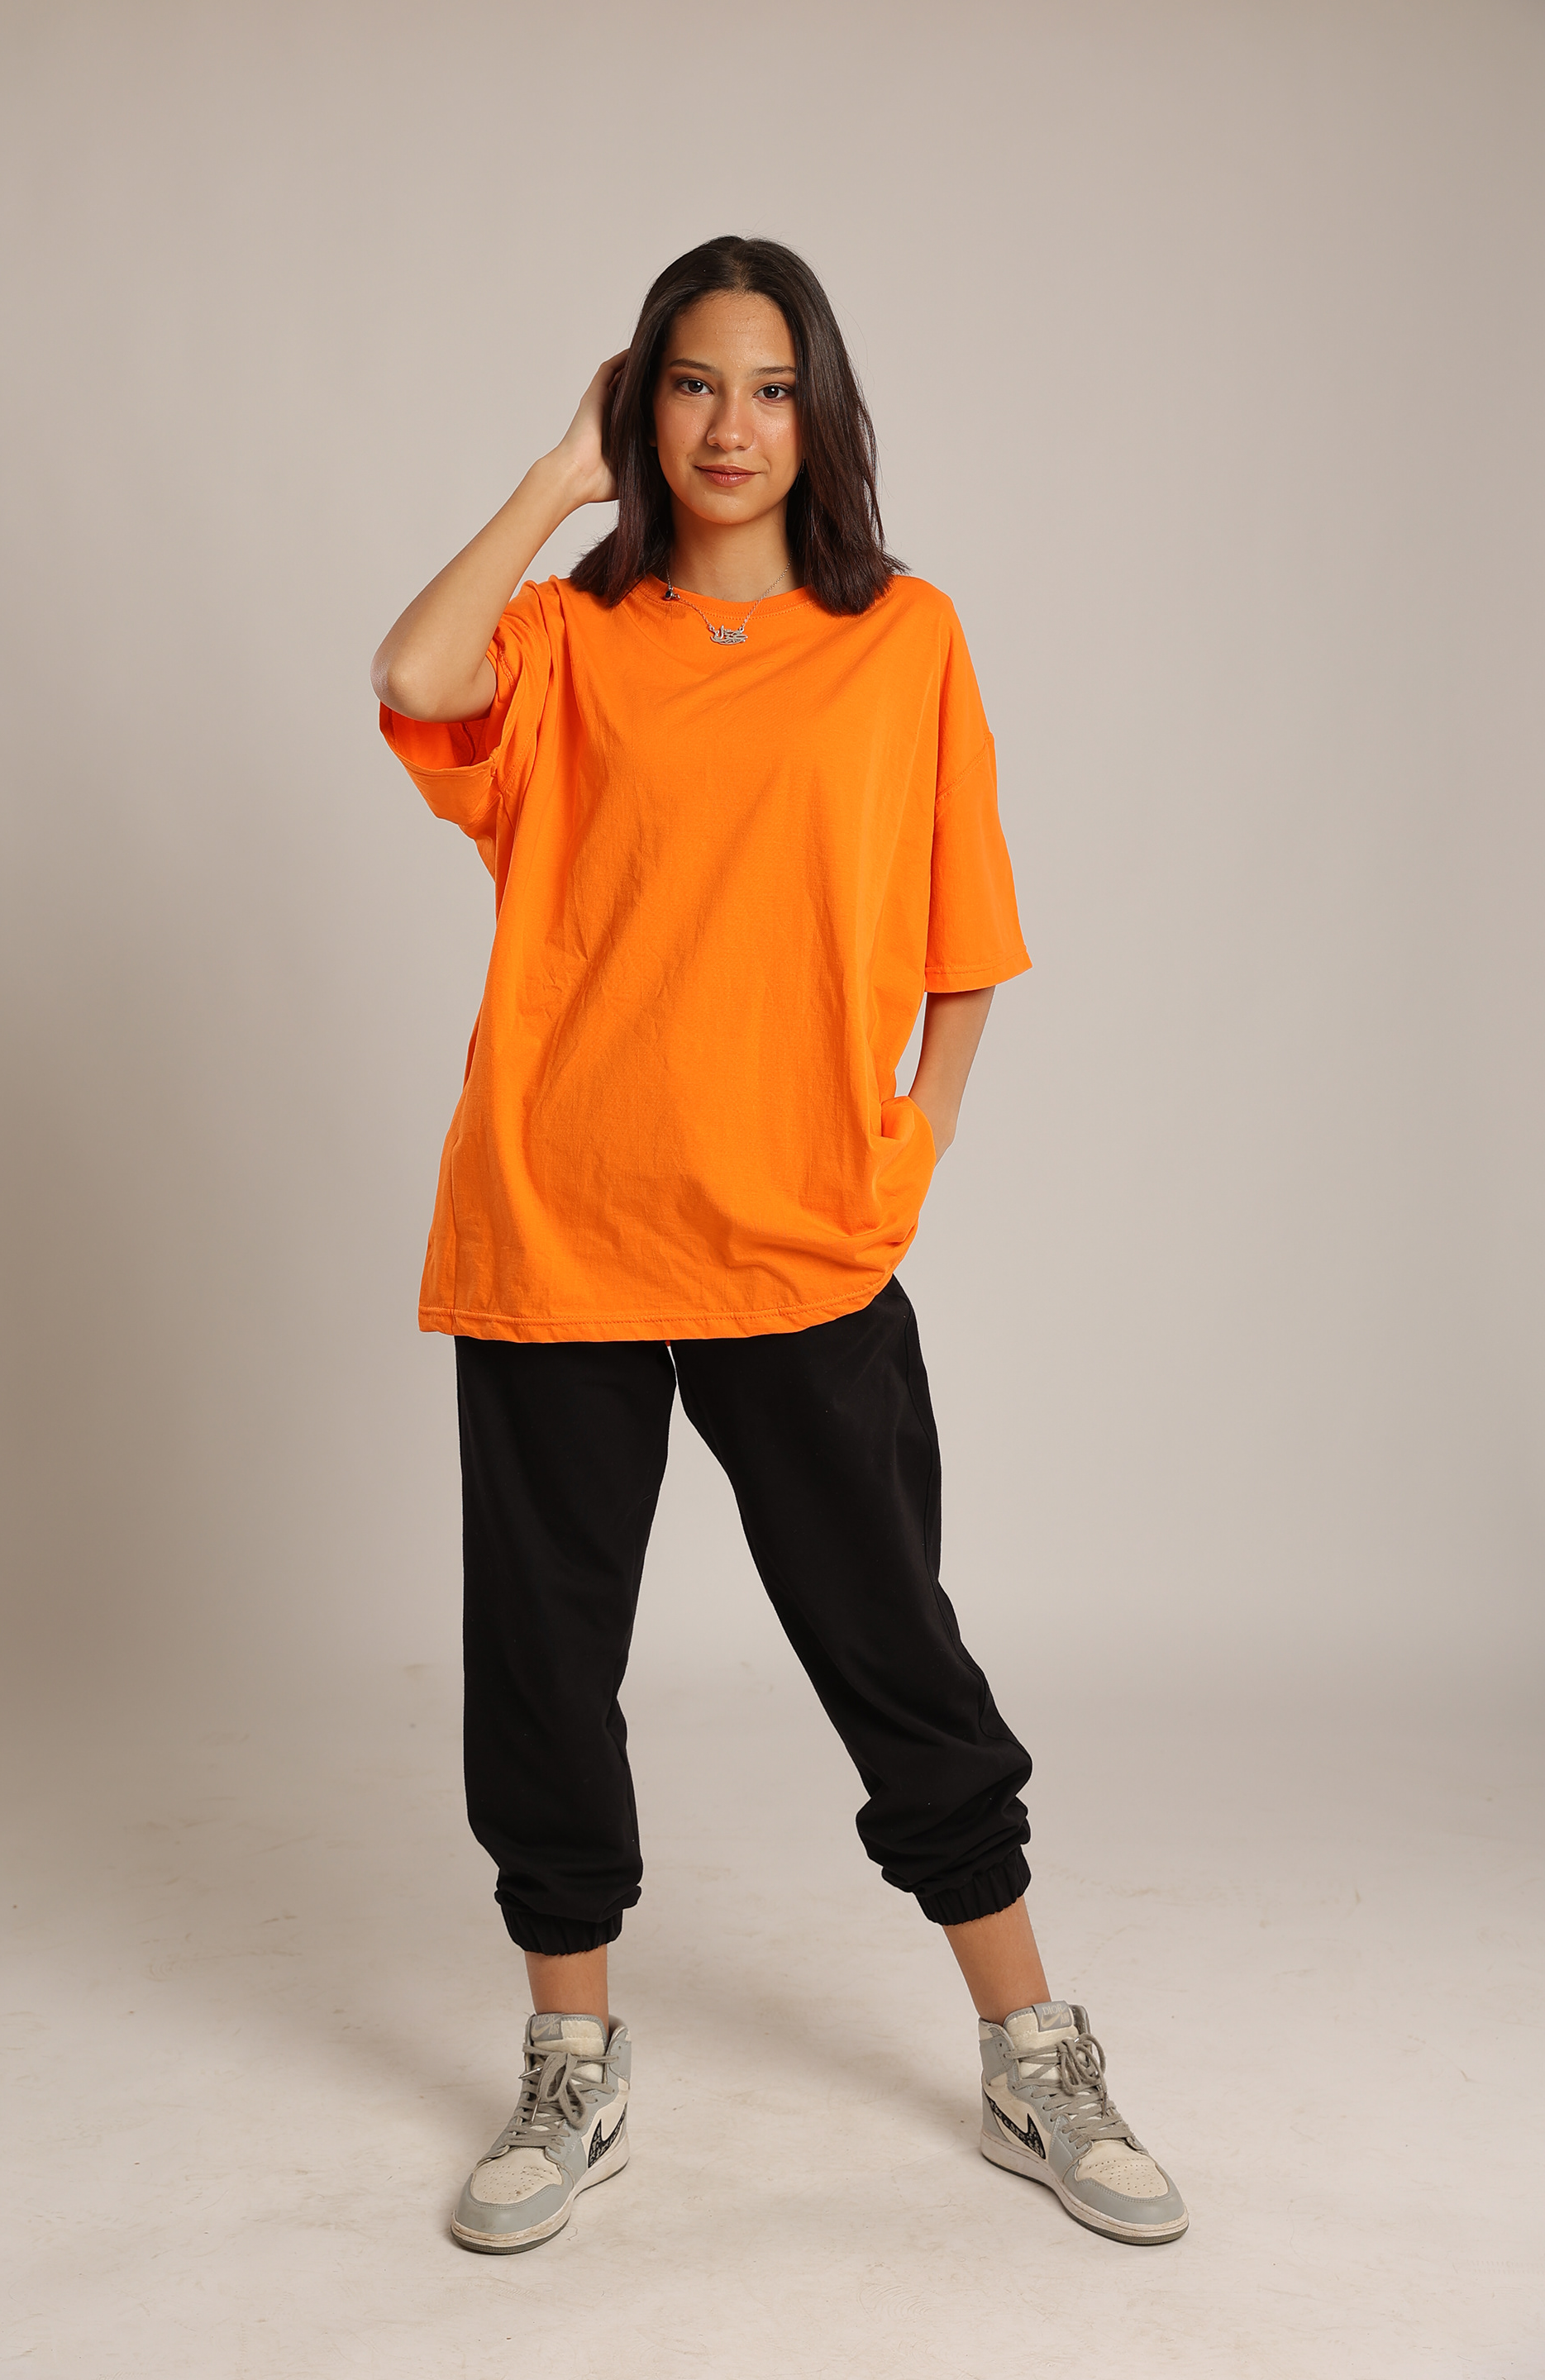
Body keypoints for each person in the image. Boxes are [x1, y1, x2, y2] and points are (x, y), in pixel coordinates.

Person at [370, 235, 1186, 2254]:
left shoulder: (904, 638)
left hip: (802, 1238)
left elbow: (965, 934)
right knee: (545, 1667)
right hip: (559, 1221)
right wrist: (553, 481)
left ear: (820, 412)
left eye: (769, 385)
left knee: (890, 1639)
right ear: (640, 407)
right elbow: (411, 676)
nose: (730, 425)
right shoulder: (570, 639)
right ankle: (572, 2057)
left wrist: (916, 1144)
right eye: (688, 384)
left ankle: (1029, 2048)